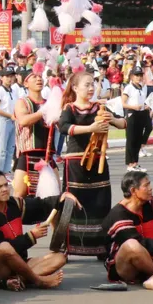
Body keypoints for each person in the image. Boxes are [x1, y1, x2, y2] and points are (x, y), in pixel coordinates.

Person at [56, 72, 126, 257]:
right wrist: (90, 128)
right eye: (86, 85)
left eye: (92, 84)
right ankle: (68, 243)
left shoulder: (100, 107)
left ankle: (100, 246)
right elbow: (63, 127)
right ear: (75, 88)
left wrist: (111, 119)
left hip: (98, 161)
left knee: (100, 202)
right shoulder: (69, 108)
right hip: (76, 162)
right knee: (73, 201)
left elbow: (123, 123)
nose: (90, 88)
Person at [0, 169, 72, 291]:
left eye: (6, 185)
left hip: (19, 263)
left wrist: (61, 198)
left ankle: (18, 280)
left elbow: (39, 205)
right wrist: (31, 236)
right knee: (4, 247)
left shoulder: (14, 203)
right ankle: (38, 281)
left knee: (60, 257)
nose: (5, 189)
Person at [12, 70, 56, 198]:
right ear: (26, 83)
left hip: (47, 156)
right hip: (27, 155)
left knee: (54, 195)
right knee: (19, 195)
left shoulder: (49, 103)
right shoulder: (22, 102)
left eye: (40, 77)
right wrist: (44, 111)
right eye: (34, 77)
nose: (39, 79)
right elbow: (23, 121)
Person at [122, 67, 152, 170]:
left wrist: (145, 105)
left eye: (140, 75)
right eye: (137, 75)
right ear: (132, 76)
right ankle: (130, 163)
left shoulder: (143, 87)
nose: (139, 77)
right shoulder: (128, 88)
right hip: (132, 113)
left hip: (141, 112)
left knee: (138, 138)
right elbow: (123, 103)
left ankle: (135, 162)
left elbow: (143, 100)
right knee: (131, 139)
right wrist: (134, 107)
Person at [0, 67, 19, 173]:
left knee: (10, 148)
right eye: (7, 76)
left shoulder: (13, 91)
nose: (10, 79)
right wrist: (9, 115)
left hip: (12, 120)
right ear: (1, 78)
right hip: (3, 120)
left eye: (12, 76)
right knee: (2, 149)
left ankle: (6, 171)